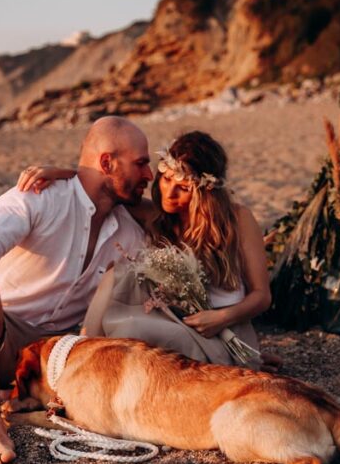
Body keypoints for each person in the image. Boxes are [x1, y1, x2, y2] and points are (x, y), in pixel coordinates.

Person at [0, 116, 151, 464]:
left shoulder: (130, 233)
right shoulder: (39, 197)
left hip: (56, 356)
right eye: (142, 163)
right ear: (107, 163)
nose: (149, 175)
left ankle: (5, 392)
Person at [20, 130, 272, 368]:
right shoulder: (156, 216)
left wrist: (222, 318)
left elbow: (262, 296)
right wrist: (64, 173)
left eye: (182, 188)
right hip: (177, 322)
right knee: (117, 278)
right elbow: (105, 185)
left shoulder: (237, 219)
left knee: (131, 332)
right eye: (166, 179)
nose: (168, 193)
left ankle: (79, 361)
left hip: (225, 332)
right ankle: (80, 352)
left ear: (206, 193)